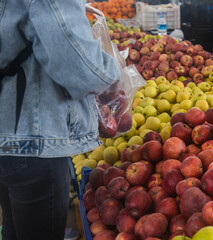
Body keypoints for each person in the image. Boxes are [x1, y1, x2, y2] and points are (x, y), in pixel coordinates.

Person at [0, 0, 122, 240]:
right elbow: (75, 58)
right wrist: (114, 77)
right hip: (35, 136)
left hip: (10, 127)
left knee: (14, 227)